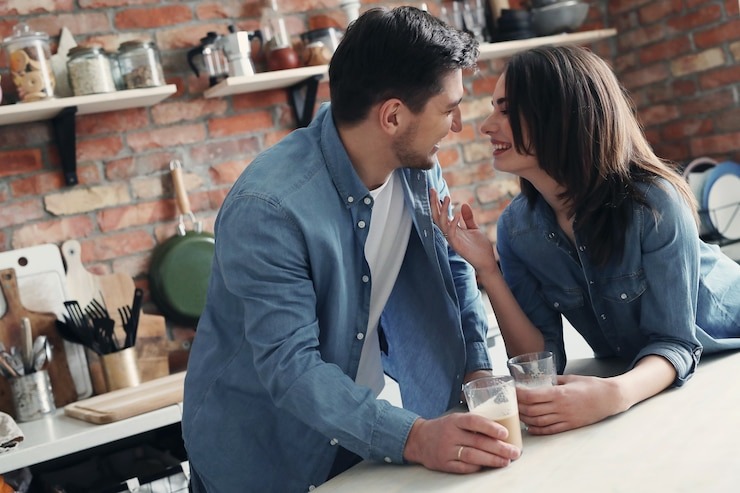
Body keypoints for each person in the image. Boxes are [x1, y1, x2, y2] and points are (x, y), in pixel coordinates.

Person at [182, 7, 521, 492]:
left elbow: (452, 264)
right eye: (449, 109)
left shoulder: (418, 167)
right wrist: (418, 438)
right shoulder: (270, 208)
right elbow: (291, 367)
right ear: (393, 116)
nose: (460, 125)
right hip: (263, 459)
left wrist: (476, 371)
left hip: (357, 433)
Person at [432, 44, 740, 436]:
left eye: (506, 109)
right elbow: (541, 362)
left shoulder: (656, 204)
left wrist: (611, 396)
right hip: (656, 377)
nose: (487, 125)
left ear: (559, 116)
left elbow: (676, 343)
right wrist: (488, 271)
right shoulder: (517, 229)